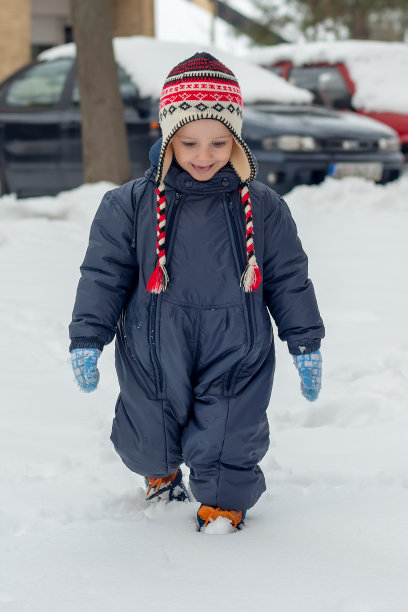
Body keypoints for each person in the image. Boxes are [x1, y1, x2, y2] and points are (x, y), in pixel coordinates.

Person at [69, 52, 324, 532]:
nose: (203, 155)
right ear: (167, 136)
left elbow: (289, 276)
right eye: (189, 142)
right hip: (153, 339)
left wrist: (304, 339)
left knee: (230, 429)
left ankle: (225, 502)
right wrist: (88, 336)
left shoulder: (263, 207)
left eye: (218, 142)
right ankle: (159, 471)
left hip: (237, 342)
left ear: (237, 139)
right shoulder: (129, 204)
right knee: (149, 425)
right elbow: (103, 274)